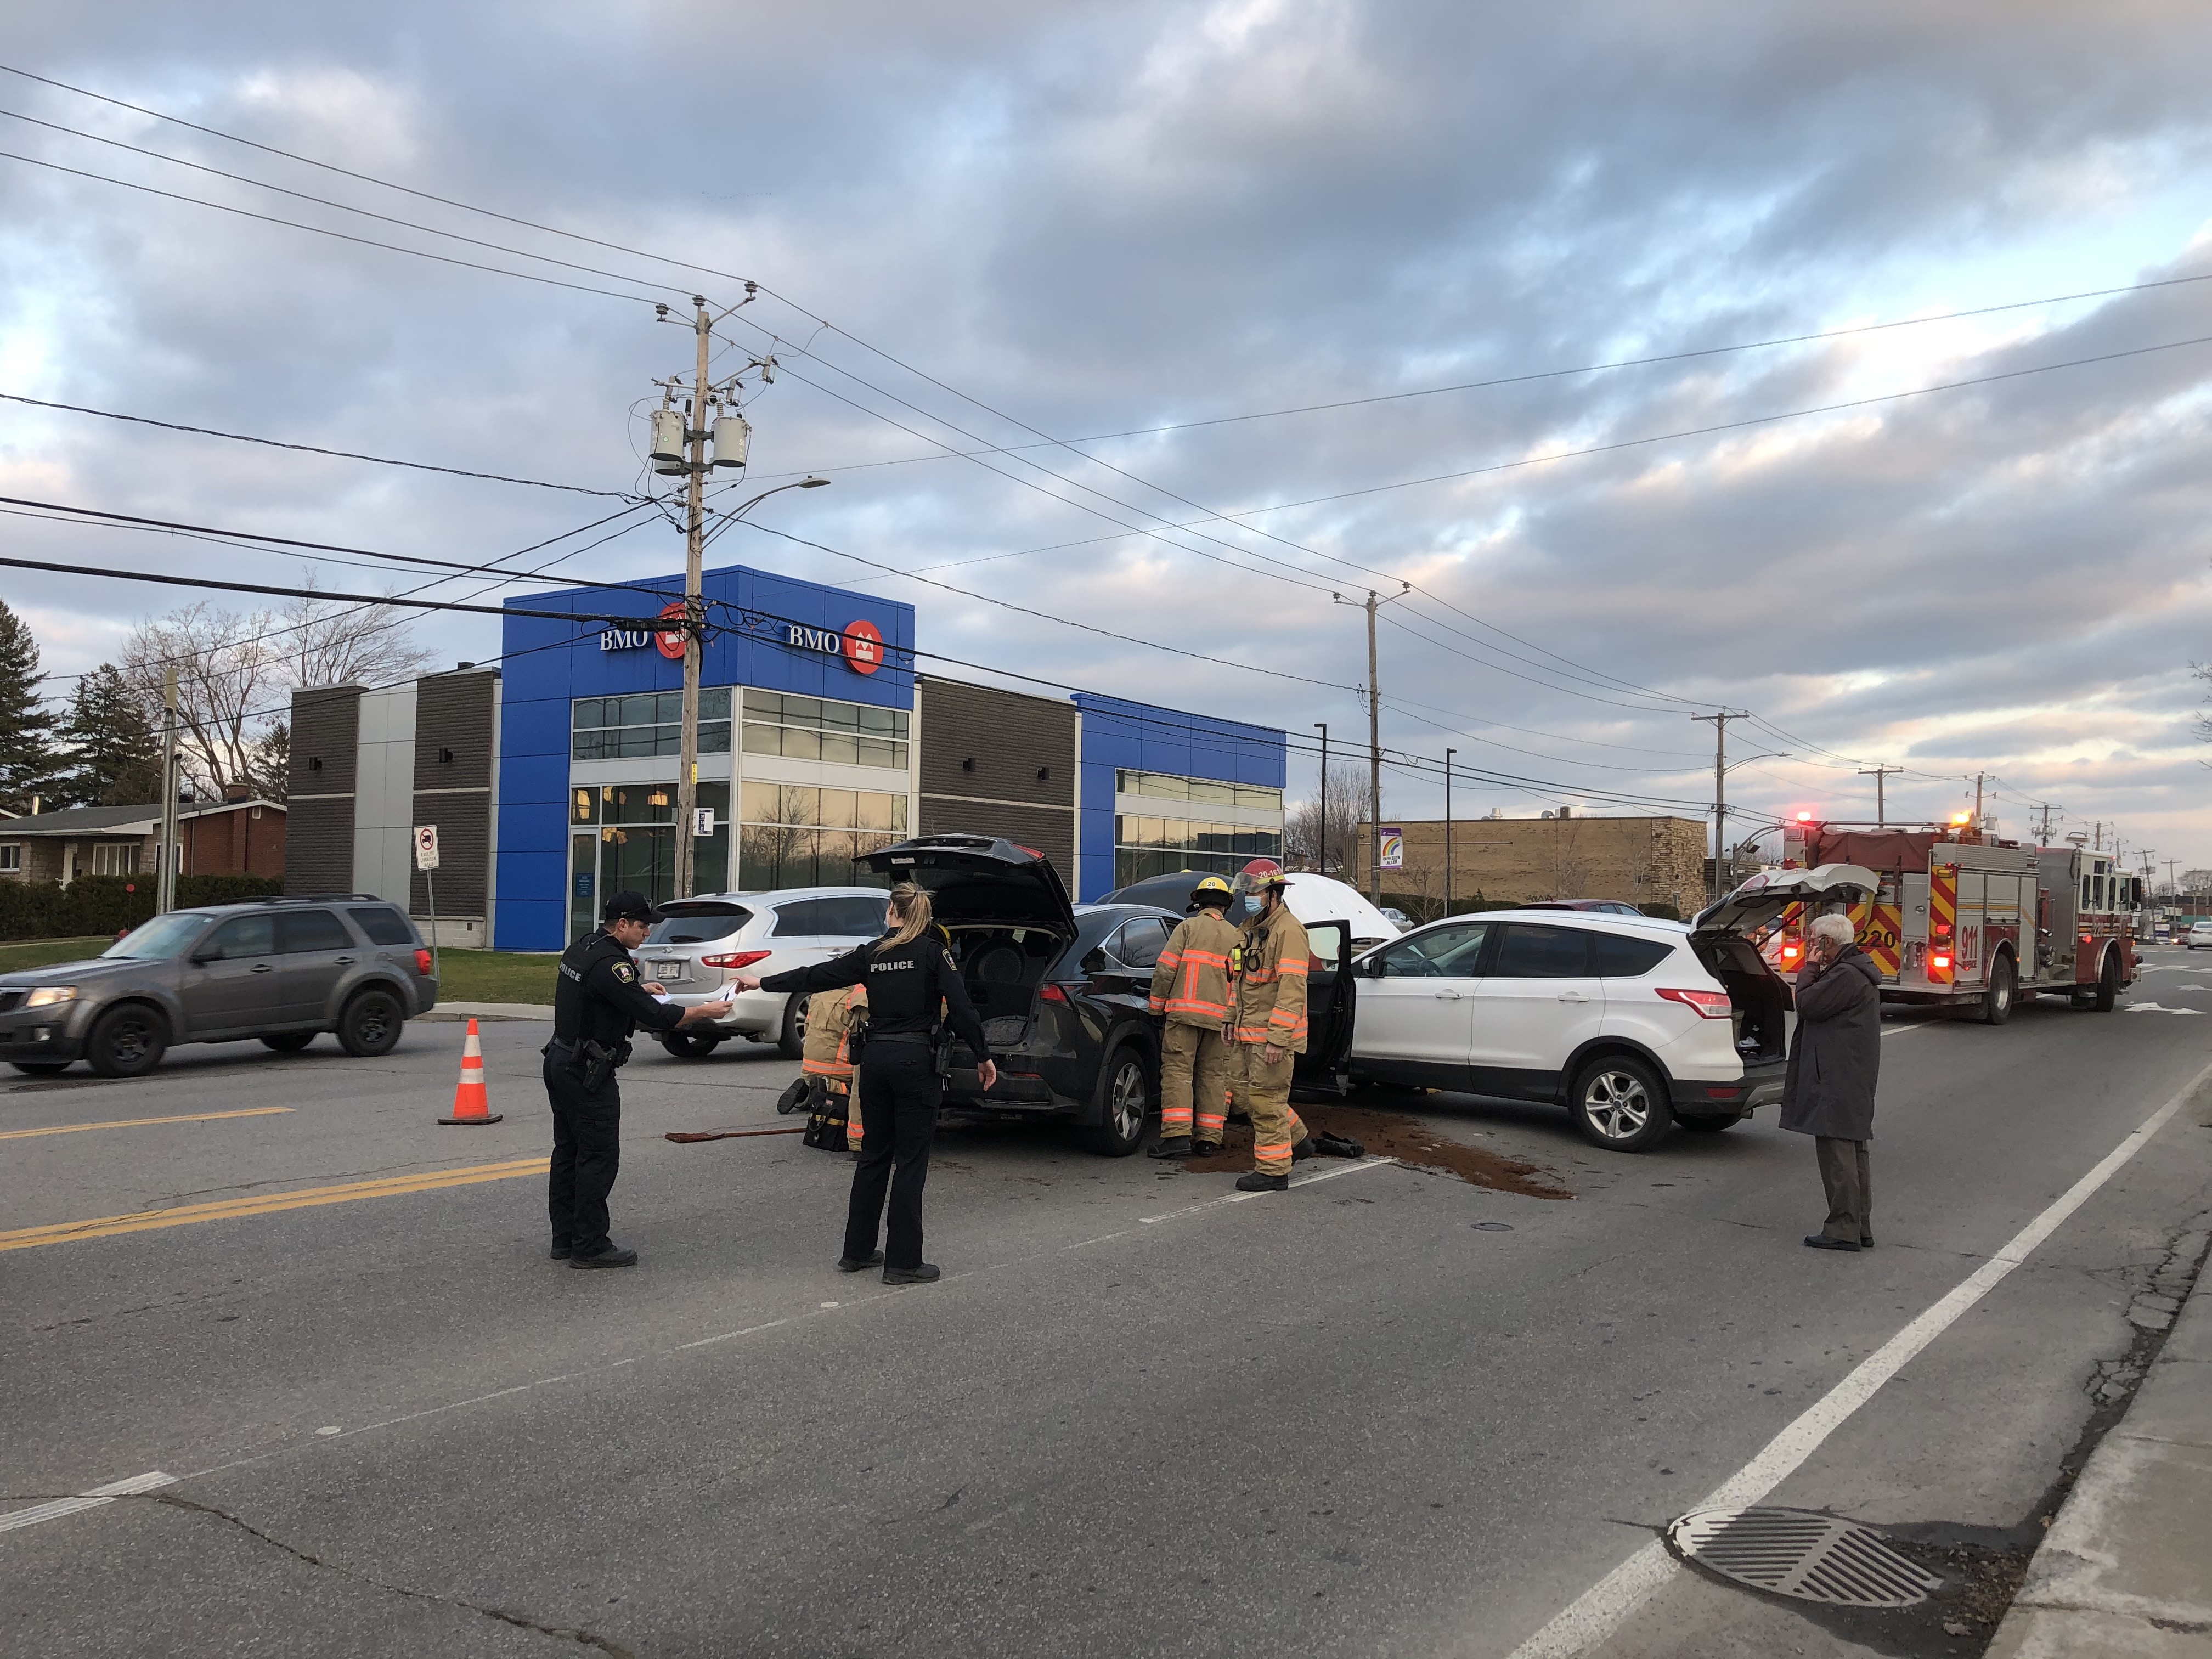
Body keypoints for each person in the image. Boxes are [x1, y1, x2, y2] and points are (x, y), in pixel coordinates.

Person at [733, 882, 997, 1284]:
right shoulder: (932, 953)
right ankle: (904, 1263)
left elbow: (818, 975)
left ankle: (856, 1251)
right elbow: (961, 1008)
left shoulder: (872, 953)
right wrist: (982, 1056)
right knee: (910, 1163)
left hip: (874, 1062)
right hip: (915, 1063)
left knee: (874, 1156)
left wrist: (763, 983)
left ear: (893, 911)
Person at [546, 890, 733, 1269]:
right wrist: (705, 1011)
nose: (647, 932)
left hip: (560, 1059)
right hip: (587, 1070)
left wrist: (636, 990)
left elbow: (597, 994)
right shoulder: (614, 965)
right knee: (598, 1156)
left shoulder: (584, 946)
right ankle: (590, 1245)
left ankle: (565, 1238)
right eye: (642, 926)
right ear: (622, 925)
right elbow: (657, 1016)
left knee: (568, 1152)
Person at [1781, 910, 1883, 1252]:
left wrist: (1809, 968)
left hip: (1838, 1076)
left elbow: (1807, 1004)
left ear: (1827, 942)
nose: (1811, 946)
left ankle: (1843, 1227)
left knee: (1838, 1153)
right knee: (1852, 1150)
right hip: (1849, 1074)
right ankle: (1858, 1225)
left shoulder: (1845, 975)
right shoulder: (1852, 972)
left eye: (1814, 941)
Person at [1225, 870, 1314, 1193]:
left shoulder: (1289, 932)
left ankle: (1274, 1170)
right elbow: (1240, 981)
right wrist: (1228, 1019)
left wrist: (1278, 1039)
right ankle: (1299, 1140)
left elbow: (1292, 990)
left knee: (1266, 1101)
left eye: (1256, 893)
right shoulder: (1251, 931)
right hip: (1247, 1032)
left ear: (1273, 894)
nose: (1250, 900)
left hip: (1270, 1037)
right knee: (1244, 1093)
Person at [1146, 876, 1243, 1159]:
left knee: (1178, 1073)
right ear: (1226, 905)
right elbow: (1241, 981)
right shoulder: (1237, 936)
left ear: (1198, 902)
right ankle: (1208, 1140)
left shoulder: (1186, 929)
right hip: (1221, 1022)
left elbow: (1165, 970)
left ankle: (1177, 1137)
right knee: (1214, 1077)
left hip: (1183, 1017)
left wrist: (1156, 1008)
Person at [800, 981, 868, 1156]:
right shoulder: (860, 995)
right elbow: (860, 1034)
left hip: (810, 1063)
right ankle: (859, 1141)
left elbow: (807, 1028)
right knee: (863, 1081)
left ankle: (813, 1089)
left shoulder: (821, 991)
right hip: (839, 1067)